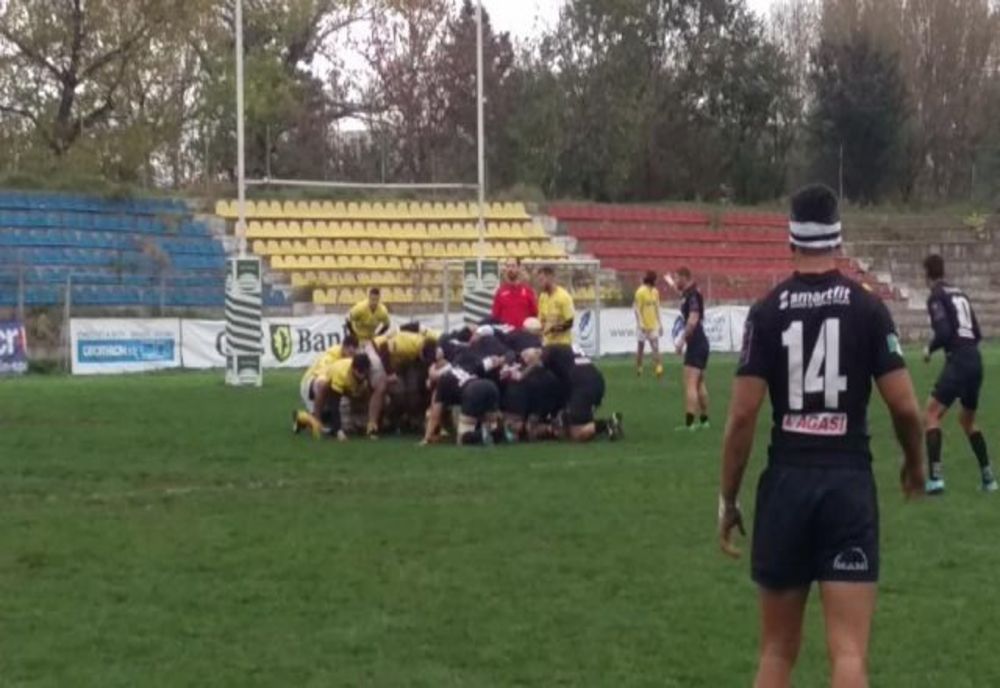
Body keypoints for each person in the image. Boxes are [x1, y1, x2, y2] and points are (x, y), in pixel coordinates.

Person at [719, 183, 925, 688]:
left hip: (786, 482)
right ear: (838, 240)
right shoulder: (868, 309)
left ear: (790, 240)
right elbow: (904, 405)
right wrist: (915, 461)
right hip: (846, 484)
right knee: (849, 652)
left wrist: (728, 498)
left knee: (775, 652)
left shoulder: (767, 311)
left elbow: (743, 416)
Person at [921, 254, 997, 493]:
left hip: (959, 361)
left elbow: (943, 332)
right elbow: (977, 333)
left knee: (931, 413)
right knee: (967, 420)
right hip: (975, 359)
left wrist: (929, 348)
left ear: (927, 274)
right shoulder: (961, 294)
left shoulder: (936, 296)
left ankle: (935, 480)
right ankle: (989, 479)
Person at [293, 354, 373, 441]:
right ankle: (307, 418)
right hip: (324, 388)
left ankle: (311, 418)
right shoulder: (341, 374)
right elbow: (335, 403)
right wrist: (338, 431)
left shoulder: (366, 374)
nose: (363, 376)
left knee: (352, 425)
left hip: (344, 390)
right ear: (353, 369)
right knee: (331, 424)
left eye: (365, 372)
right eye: (360, 372)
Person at [673, 266, 711, 431]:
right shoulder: (690, 294)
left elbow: (693, 318)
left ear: (684, 277)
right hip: (701, 342)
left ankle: (689, 424)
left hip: (695, 343)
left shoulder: (693, 294)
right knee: (700, 383)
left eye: (677, 278)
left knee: (690, 383)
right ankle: (704, 421)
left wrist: (682, 340)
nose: (675, 281)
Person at [296, 335, 359, 425]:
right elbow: (321, 379)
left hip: (329, 386)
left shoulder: (353, 358)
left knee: (339, 418)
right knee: (324, 383)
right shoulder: (330, 357)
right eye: (350, 352)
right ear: (344, 347)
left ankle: (303, 417)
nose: (351, 356)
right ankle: (317, 421)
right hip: (310, 384)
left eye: (354, 353)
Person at [492, 258, 538, 329]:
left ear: (519, 268)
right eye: (508, 266)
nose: (510, 269)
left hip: (523, 335)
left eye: (513, 266)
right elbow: (495, 316)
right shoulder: (500, 292)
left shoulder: (528, 291)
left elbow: (535, 314)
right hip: (506, 336)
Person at [634, 271, 664, 378]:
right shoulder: (640, 292)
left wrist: (660, 323)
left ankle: (658, 368)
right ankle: (639, 367)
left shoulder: (655, 292)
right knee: (641, 348)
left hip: (652, 325)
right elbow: (637, 309)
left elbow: (657, 308)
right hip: (643, 326)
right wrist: (641, 324)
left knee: (655, 346)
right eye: (656, 279)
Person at [537, 266, 575, 347]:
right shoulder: (542, 297)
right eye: (539, 281)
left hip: (563, 345)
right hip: (547, 345)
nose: (540, 284)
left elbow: (569, 323)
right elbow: (542, 320)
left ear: (550, 278)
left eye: (541, 280)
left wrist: (552, 329)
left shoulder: (564, 297)